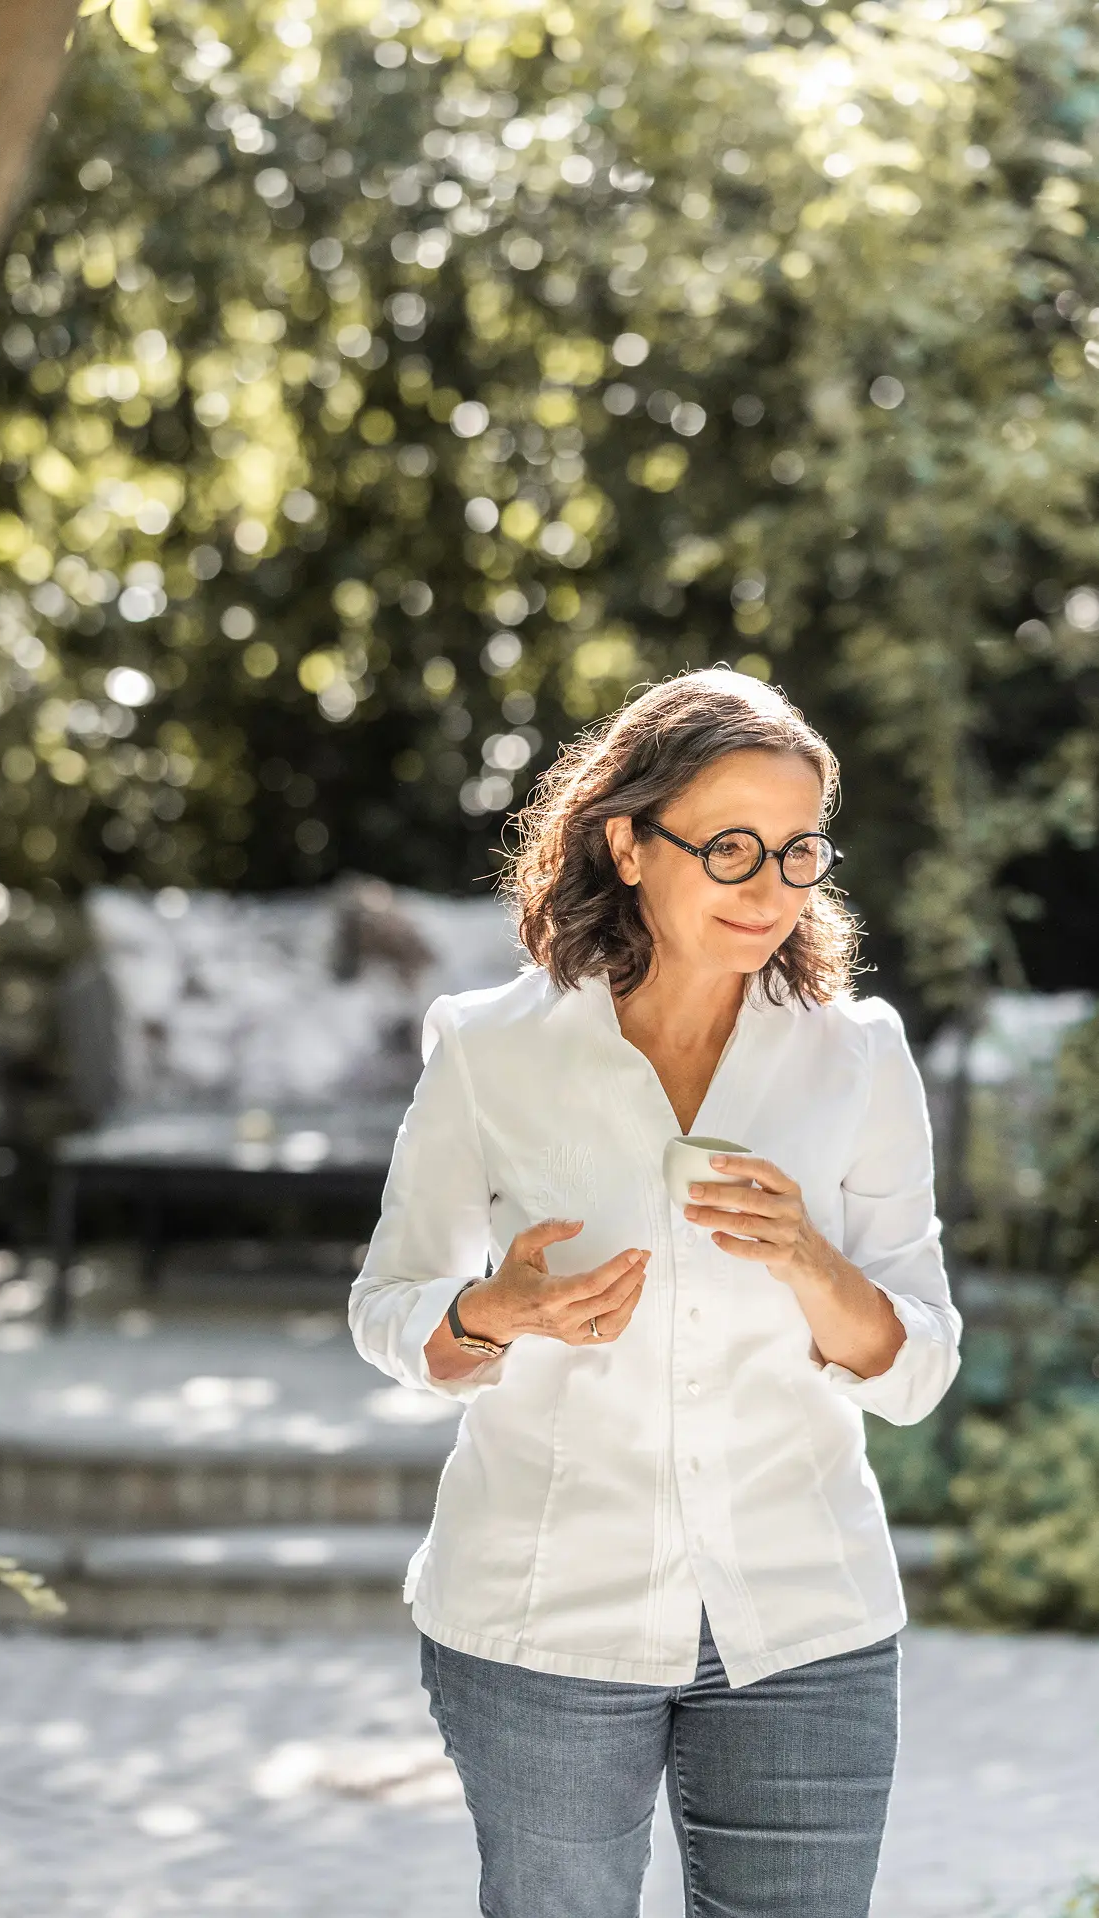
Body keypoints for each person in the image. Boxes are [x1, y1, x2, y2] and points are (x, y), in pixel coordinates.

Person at [349, 669, 961, 1918]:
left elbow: (920, 1366)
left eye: (798, 852)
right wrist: (492, 1312)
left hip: (805, 1621)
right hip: (539, 1622)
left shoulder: (859, 1054)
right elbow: (388, 1304)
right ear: (628, 842)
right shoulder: (491, 1048)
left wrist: (808, 1257)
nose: (770, 888)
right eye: (729, 846)